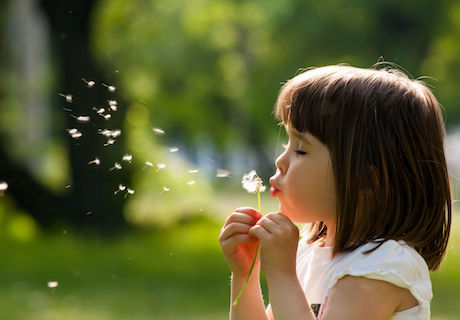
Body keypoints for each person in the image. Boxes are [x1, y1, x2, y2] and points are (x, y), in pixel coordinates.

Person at [219, 64, 452, 320]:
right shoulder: (310, 254)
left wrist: (281, 274)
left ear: (363, 180)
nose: (280, 161)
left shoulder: (382, 266)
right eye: (288, 143)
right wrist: (245, 275)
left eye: (301, 150)